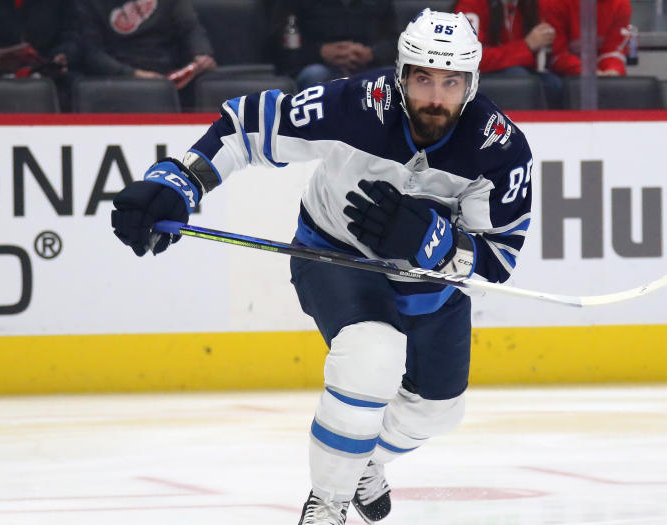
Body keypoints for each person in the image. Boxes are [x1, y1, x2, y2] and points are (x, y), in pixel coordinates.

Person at [110, 9, 533, 525]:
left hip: (427, 279)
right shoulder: (355, 103)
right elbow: (246, 127)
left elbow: (498, 258)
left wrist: (439, 244)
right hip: (336, 254)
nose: (436, 97)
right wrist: (178, 180)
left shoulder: (499, 147)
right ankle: (329, 504)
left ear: (472, 83)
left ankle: (364, 464)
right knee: (371, 354)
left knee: (439, 409)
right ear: (400, 75)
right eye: (423, 78)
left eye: (451, 82)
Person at [76, 0, 216, 100]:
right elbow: (91, 52)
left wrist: (201, 54)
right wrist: (133, 74)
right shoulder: (90, 3)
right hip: (116, 76)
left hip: (167, 71)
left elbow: (190, 29)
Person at [269, 0, 398, 90]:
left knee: (391, 76)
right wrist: (321, 52)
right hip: (315, 65)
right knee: (316, 74)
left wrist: (371, 53)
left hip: (368, 65)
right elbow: (279, 45)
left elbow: (397, 42)